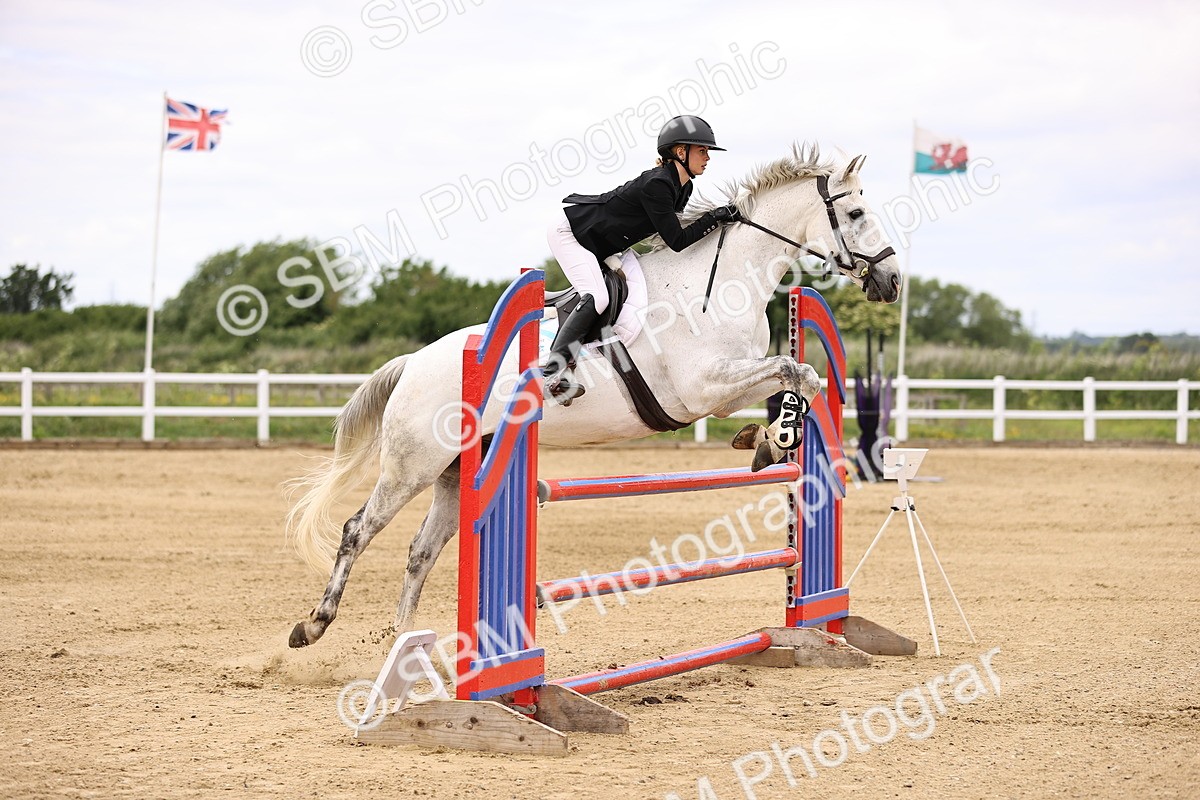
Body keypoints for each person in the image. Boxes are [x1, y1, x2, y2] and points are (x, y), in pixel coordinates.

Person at [543, 115, 742, 402]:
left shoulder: (683, 187)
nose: (708, 157)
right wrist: (715, 217)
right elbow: (677, 241)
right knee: (597, 297)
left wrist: (717, 219)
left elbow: (673, 232)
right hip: (572, 234)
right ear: (680, 152)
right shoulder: (658, 185)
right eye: (702, 150)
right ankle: (555, 372)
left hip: (607, 244)